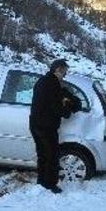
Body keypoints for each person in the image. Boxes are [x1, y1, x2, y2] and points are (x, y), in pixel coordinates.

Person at [30, 59, 78, 193]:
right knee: (51, 155)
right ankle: (50, 184)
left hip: (35, 123)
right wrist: (68, 109)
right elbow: (56, 107)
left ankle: (41, 181)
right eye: (64, 72)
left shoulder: (42, 81)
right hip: (46, 126)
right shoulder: (52, 84)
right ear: (58, 69)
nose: (65, 75)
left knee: (42, 155)